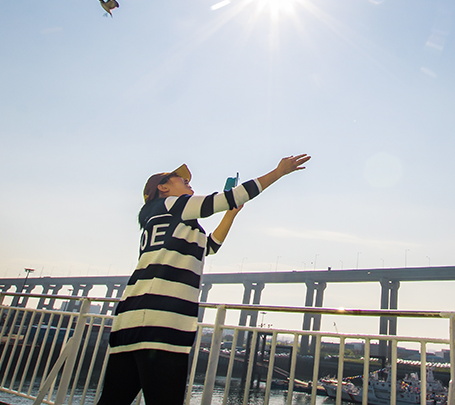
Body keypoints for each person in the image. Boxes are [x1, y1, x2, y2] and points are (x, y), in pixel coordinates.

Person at [97, 154, 311, 405]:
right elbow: (228, 197)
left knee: (114, 399)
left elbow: (209, 246)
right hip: (162, 321)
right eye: (180, 178)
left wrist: (231, 215)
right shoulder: (173, 205)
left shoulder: (164, 220)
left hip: (130, 320)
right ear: (162, 188)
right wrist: (278, 172)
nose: (187, 181)